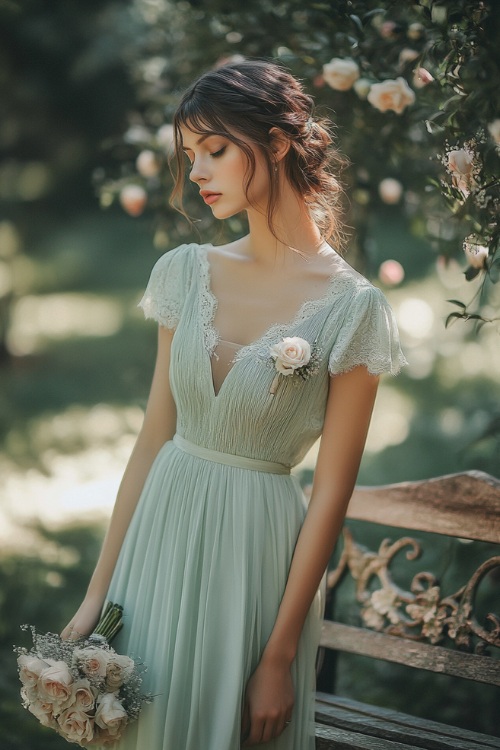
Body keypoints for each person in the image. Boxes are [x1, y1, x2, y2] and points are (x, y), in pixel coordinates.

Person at [61, 59, 406, 749]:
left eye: (215, 150)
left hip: (255, 558)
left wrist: (277, 658)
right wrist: (96, 598)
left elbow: (332, 492)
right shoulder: (186, 272)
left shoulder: (355, 308)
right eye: (191, 156)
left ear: (277, 144)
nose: (197, 172)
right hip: (160, 536)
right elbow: (153, 435)